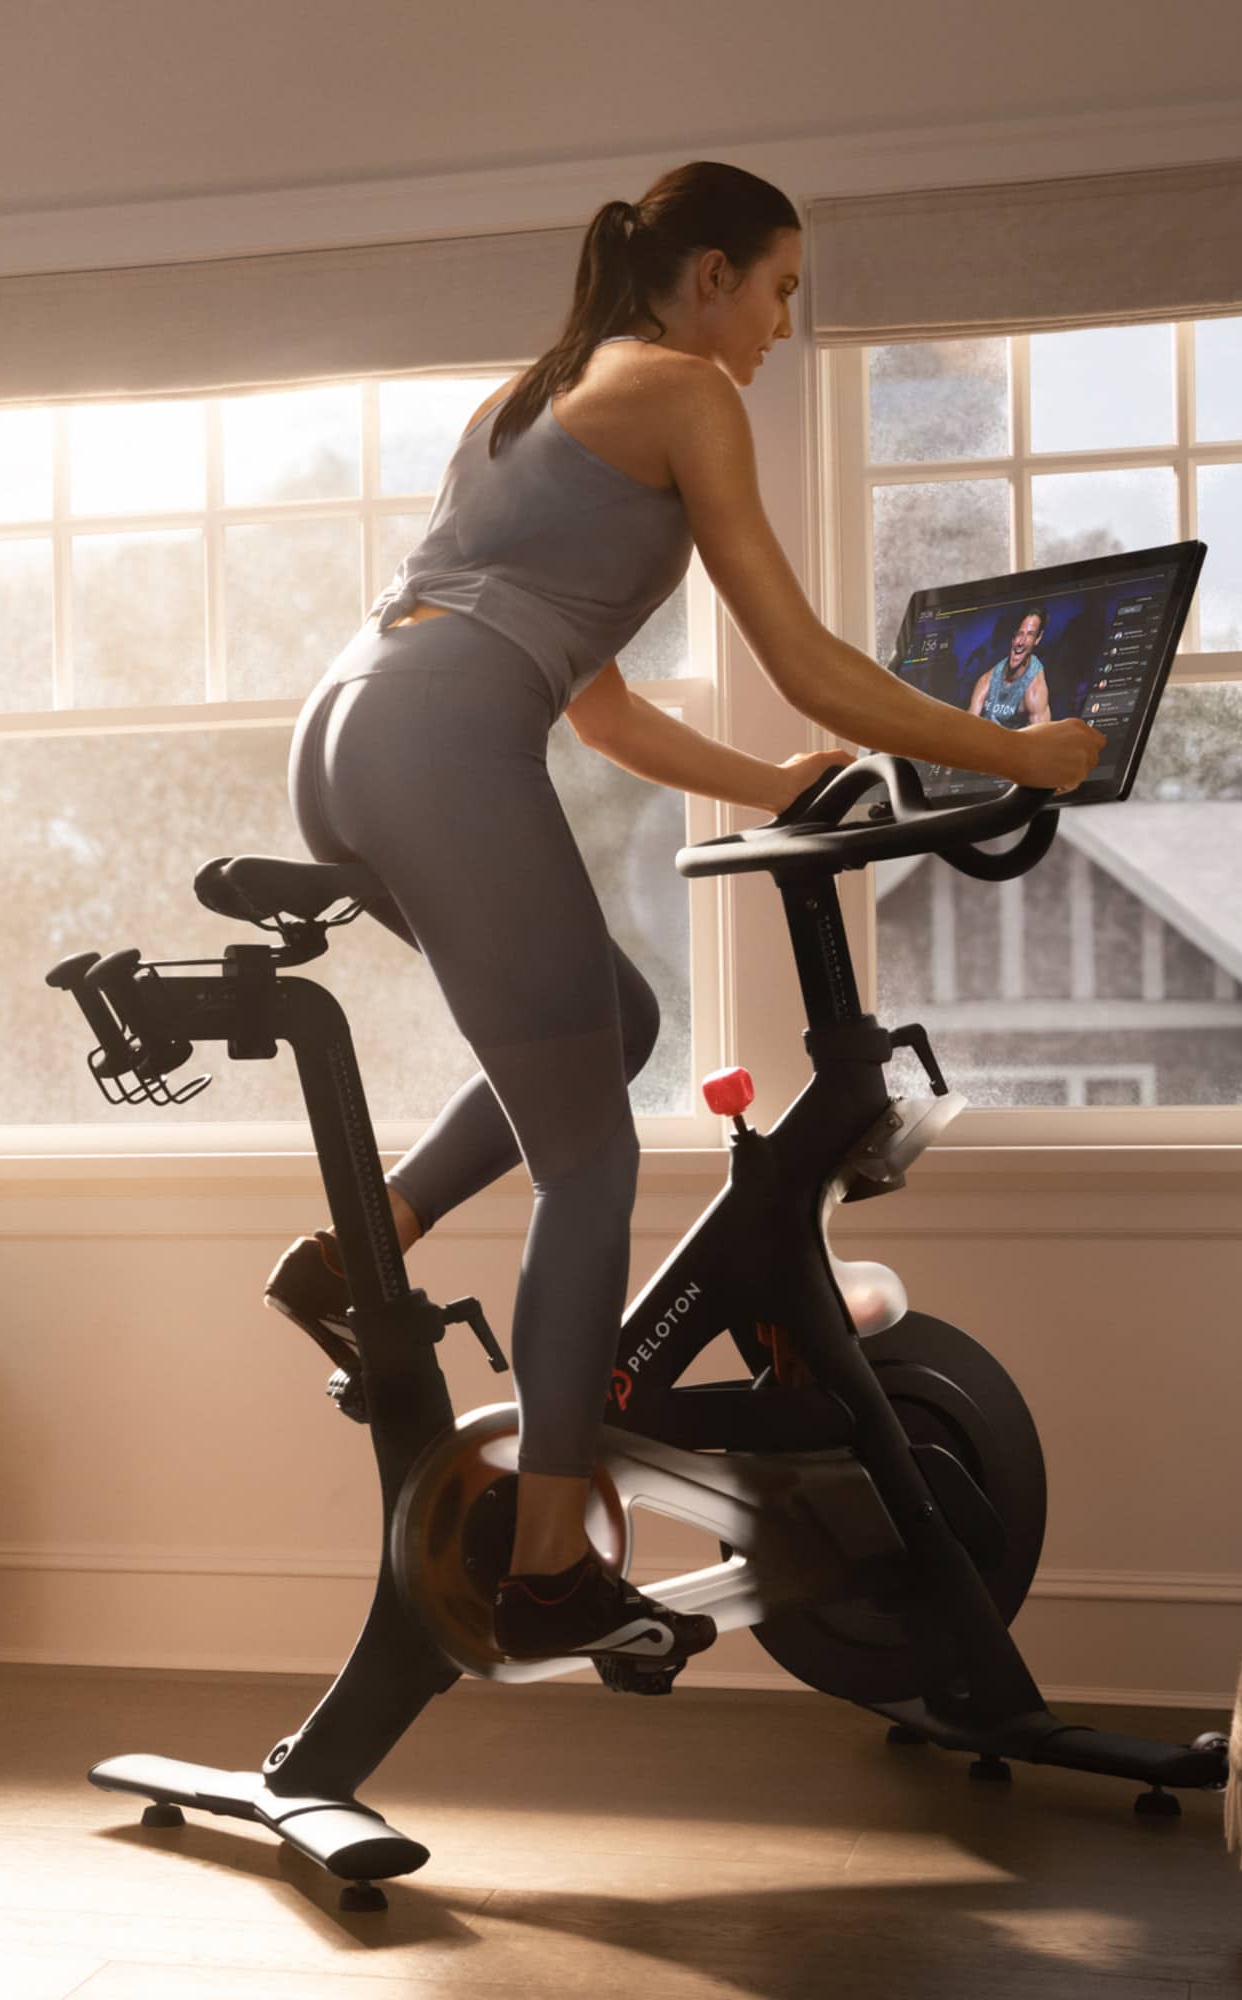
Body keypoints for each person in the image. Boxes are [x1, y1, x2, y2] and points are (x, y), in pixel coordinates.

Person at [258, 161, 1103, 1665]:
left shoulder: (532, 399)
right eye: (780, 288)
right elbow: (809, 658)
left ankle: (361, 1242)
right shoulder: (685, 392)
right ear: (708, 274)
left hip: (348, 733)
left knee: (621, 1022)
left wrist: (767, 782)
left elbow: (606, 711)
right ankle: (547, 1569)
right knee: (593, 1162)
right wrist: (1014, 750)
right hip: (442, 738)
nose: (782, 325)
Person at [969, 610, 1056, 727]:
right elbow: (967, 727)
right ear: (1013, 636)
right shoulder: (987, 681)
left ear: (1038, 638)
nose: (1021, 642)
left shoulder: (1034, 689)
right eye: (1019, 633)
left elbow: (1041, 740)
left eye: (1029, 634)